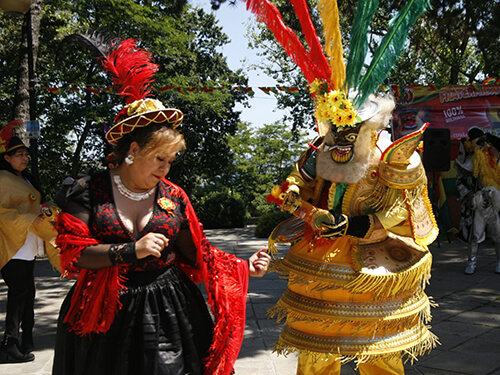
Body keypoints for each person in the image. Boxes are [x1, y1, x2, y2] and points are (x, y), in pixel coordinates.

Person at [52, 39, 270, 375]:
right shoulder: (88, 190)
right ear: (133, 150)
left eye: (171, 160)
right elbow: (74, 254)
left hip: (168, 311)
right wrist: (130, 250)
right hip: (102, 316)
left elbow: (199, 254)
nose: (166, 168)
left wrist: (243, 267)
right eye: (159, 158)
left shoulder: (175, 196)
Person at [242, 0, 437, 373]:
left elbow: (405, 216)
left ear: (370, 127)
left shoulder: (396, 159)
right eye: (335, 131)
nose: (341, 139)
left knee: (380, 352)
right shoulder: (320, 152)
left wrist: (349, 226)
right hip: (321, 266)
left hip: (375, 267)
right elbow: (287, 189)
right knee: (317, 351)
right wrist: (303, 206)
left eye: (351, 130)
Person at [0, 122, 59, 363]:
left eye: (26, 154)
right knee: (19, 292)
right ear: (7, 157)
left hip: (27, 243)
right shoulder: (2, 179)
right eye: (20, 154)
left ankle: (25, 339)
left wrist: (45, 212)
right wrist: (28, 217)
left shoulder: (26, 179)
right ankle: (10, 342)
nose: (25, 158)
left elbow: (33, 205)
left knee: (27, 292)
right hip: (12, 243)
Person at [462, 130, 500, 274]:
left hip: (496, 200)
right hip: (480, 200)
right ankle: (471, 263)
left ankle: (499, 262)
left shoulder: (496, 158)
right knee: (476, 234)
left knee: (498, 234)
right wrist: (469, 194)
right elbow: (464, 178)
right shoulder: (473, 158)